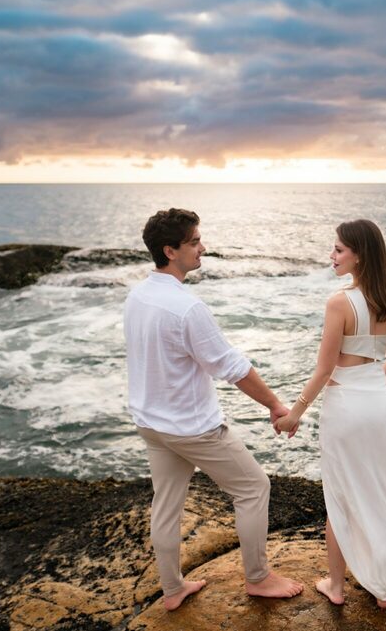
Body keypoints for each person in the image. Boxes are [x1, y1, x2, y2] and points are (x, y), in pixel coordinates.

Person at [124, 208, 304, 611]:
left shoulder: (138, 295)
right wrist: (276, 404)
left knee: (166, 504)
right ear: (170, 250)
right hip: (192, 428)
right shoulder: (187, 308)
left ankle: (172, 589)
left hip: (152, 423)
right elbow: (231, 366)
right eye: (193, 242)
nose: (202, 247)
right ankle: (258, 578)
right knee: (254, 488)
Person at [274, 219, 386, 608]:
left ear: (359, 254)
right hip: (381, 405)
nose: (331, 256)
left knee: (342, 496)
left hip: (345, 407)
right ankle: (382, 584)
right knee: (381, 490)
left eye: (338, 250)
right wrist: (372, 393)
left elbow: (324, 368)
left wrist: (295, 413)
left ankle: (336, 586)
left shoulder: (340, 302)